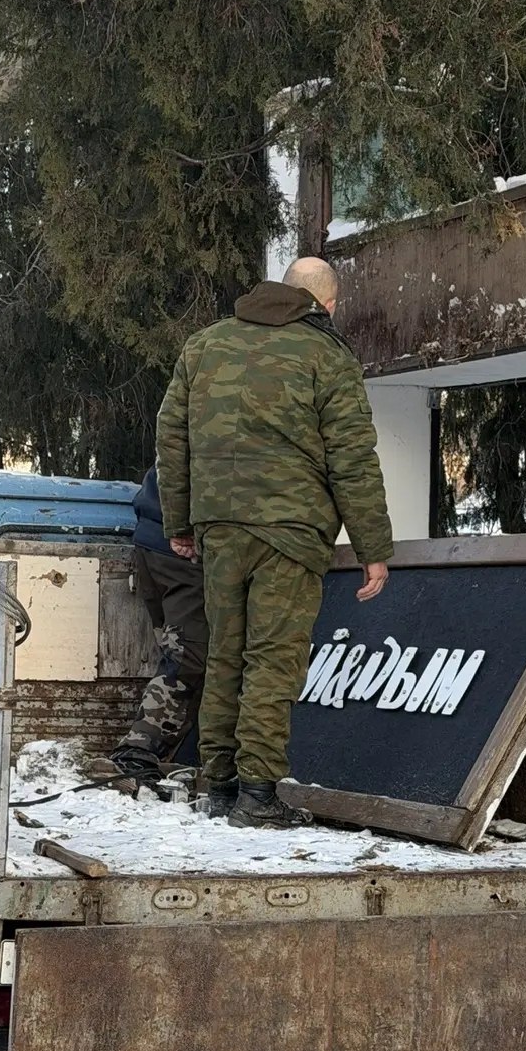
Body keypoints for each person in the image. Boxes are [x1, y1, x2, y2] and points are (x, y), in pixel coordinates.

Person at [155, 256, 393, 828]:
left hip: (219, 528)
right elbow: (352, 457)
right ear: (326, 304)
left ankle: (219, 785)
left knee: (223, 654)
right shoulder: (327, 356)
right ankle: (258, 796)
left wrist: (181, 523)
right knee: (272, 659)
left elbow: (172, 436)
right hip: (289, 529)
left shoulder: (204, 345)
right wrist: (373, 548)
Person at [110, 463, 207, 787]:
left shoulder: (191, 416)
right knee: (187, 661)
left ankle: (148, 756)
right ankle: (136, 754)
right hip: (182, 551)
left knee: (175, 653)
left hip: (153, 541)